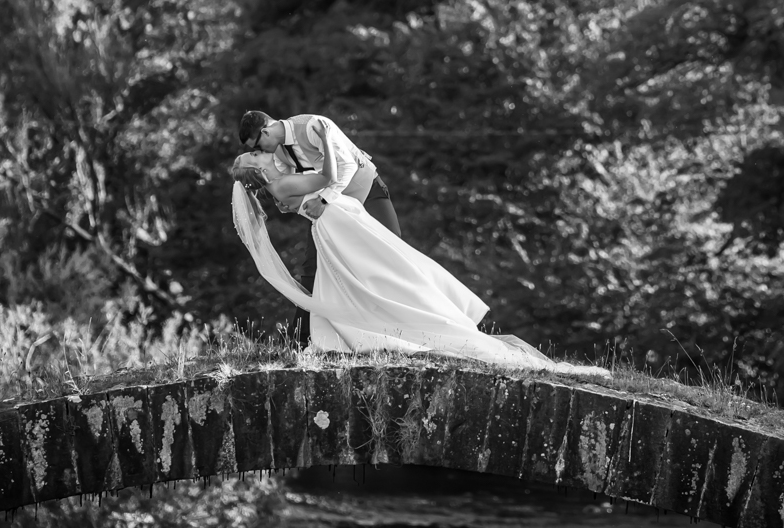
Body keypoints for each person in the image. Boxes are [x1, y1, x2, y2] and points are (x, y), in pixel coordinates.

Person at [227, 151, 574, 368]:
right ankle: (411, 320)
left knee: (385, 274)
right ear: (255, 171)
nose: (258, 153)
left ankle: (410, 316)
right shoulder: (281, 184)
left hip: (343, 221)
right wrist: (332, 146)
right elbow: (326, 178)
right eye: (252, 157)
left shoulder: (281, 182)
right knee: (384, 274)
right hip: (340, 224)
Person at [236, 111, 401, 237]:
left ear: (265, 132)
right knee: (318, 267)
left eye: (257, 147)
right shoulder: (275, 148)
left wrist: (323, 200)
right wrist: (284, 200)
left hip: (364, 188)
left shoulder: (312, 126)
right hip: (330, 206)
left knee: (392, 243)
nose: (259, 151)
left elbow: (347, 165)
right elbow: (284, 174)